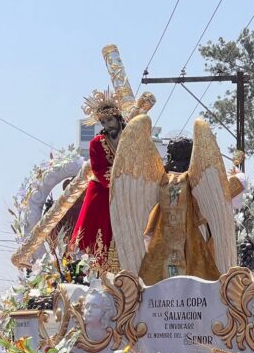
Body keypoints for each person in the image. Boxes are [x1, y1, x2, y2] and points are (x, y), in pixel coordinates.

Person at [138, 137, 224, 284]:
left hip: (164, 232)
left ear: (170, 156)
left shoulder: (163, 180)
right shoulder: (198, 178)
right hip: (193, 230)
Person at [71, 92, 127, 257]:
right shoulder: (97, 143)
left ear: (118, 117)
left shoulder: (131, 137)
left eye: (110, 120)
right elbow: (100, 169)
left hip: (130, 188)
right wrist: (120, 182)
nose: (108, 125)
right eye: (103, 122)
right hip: (103, 190)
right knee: (96, 229)